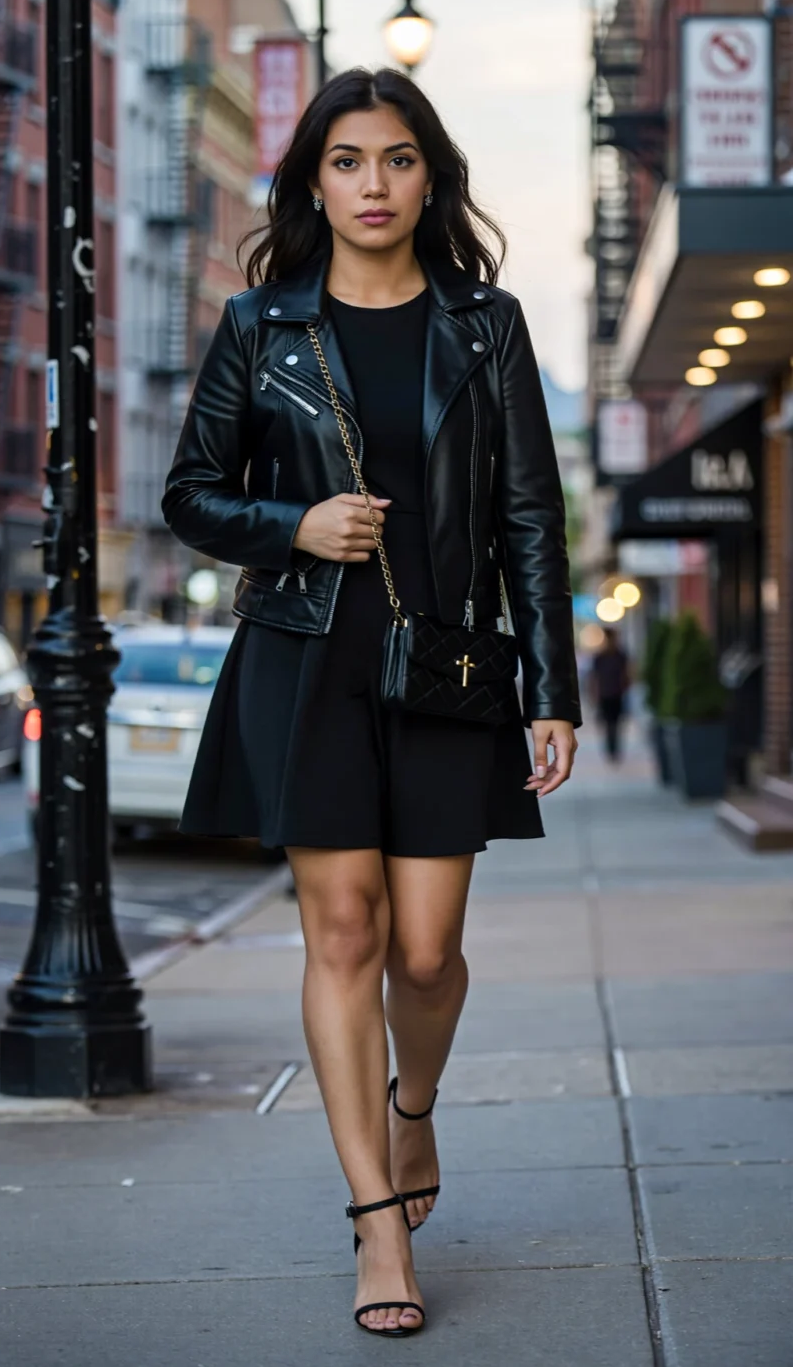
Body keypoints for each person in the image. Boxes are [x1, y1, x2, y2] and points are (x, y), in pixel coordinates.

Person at [163, 67, 580, 1338]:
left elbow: (529, 516)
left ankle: (413, 1109)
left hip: (446, 663)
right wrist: (293, 523)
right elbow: (189, 493)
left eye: (396, 159)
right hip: (306, 657)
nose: (373, 184)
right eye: (346, 162)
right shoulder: (260, 324)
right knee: (341, 933)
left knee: (427, 951)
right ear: (312, 183)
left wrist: (550, 688)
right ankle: (376, 1223)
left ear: (430, 176)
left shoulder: (485, 324)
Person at [590, 626, 631, 761]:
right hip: (605, 695)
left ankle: (615, 749)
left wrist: (625, 687)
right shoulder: (599, 657)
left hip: (617, 695)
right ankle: (610, 749)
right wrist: (594, 695)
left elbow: (627, 674)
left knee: (616, 724)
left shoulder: (621, 655)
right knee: (608, 724)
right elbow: (594, 678)